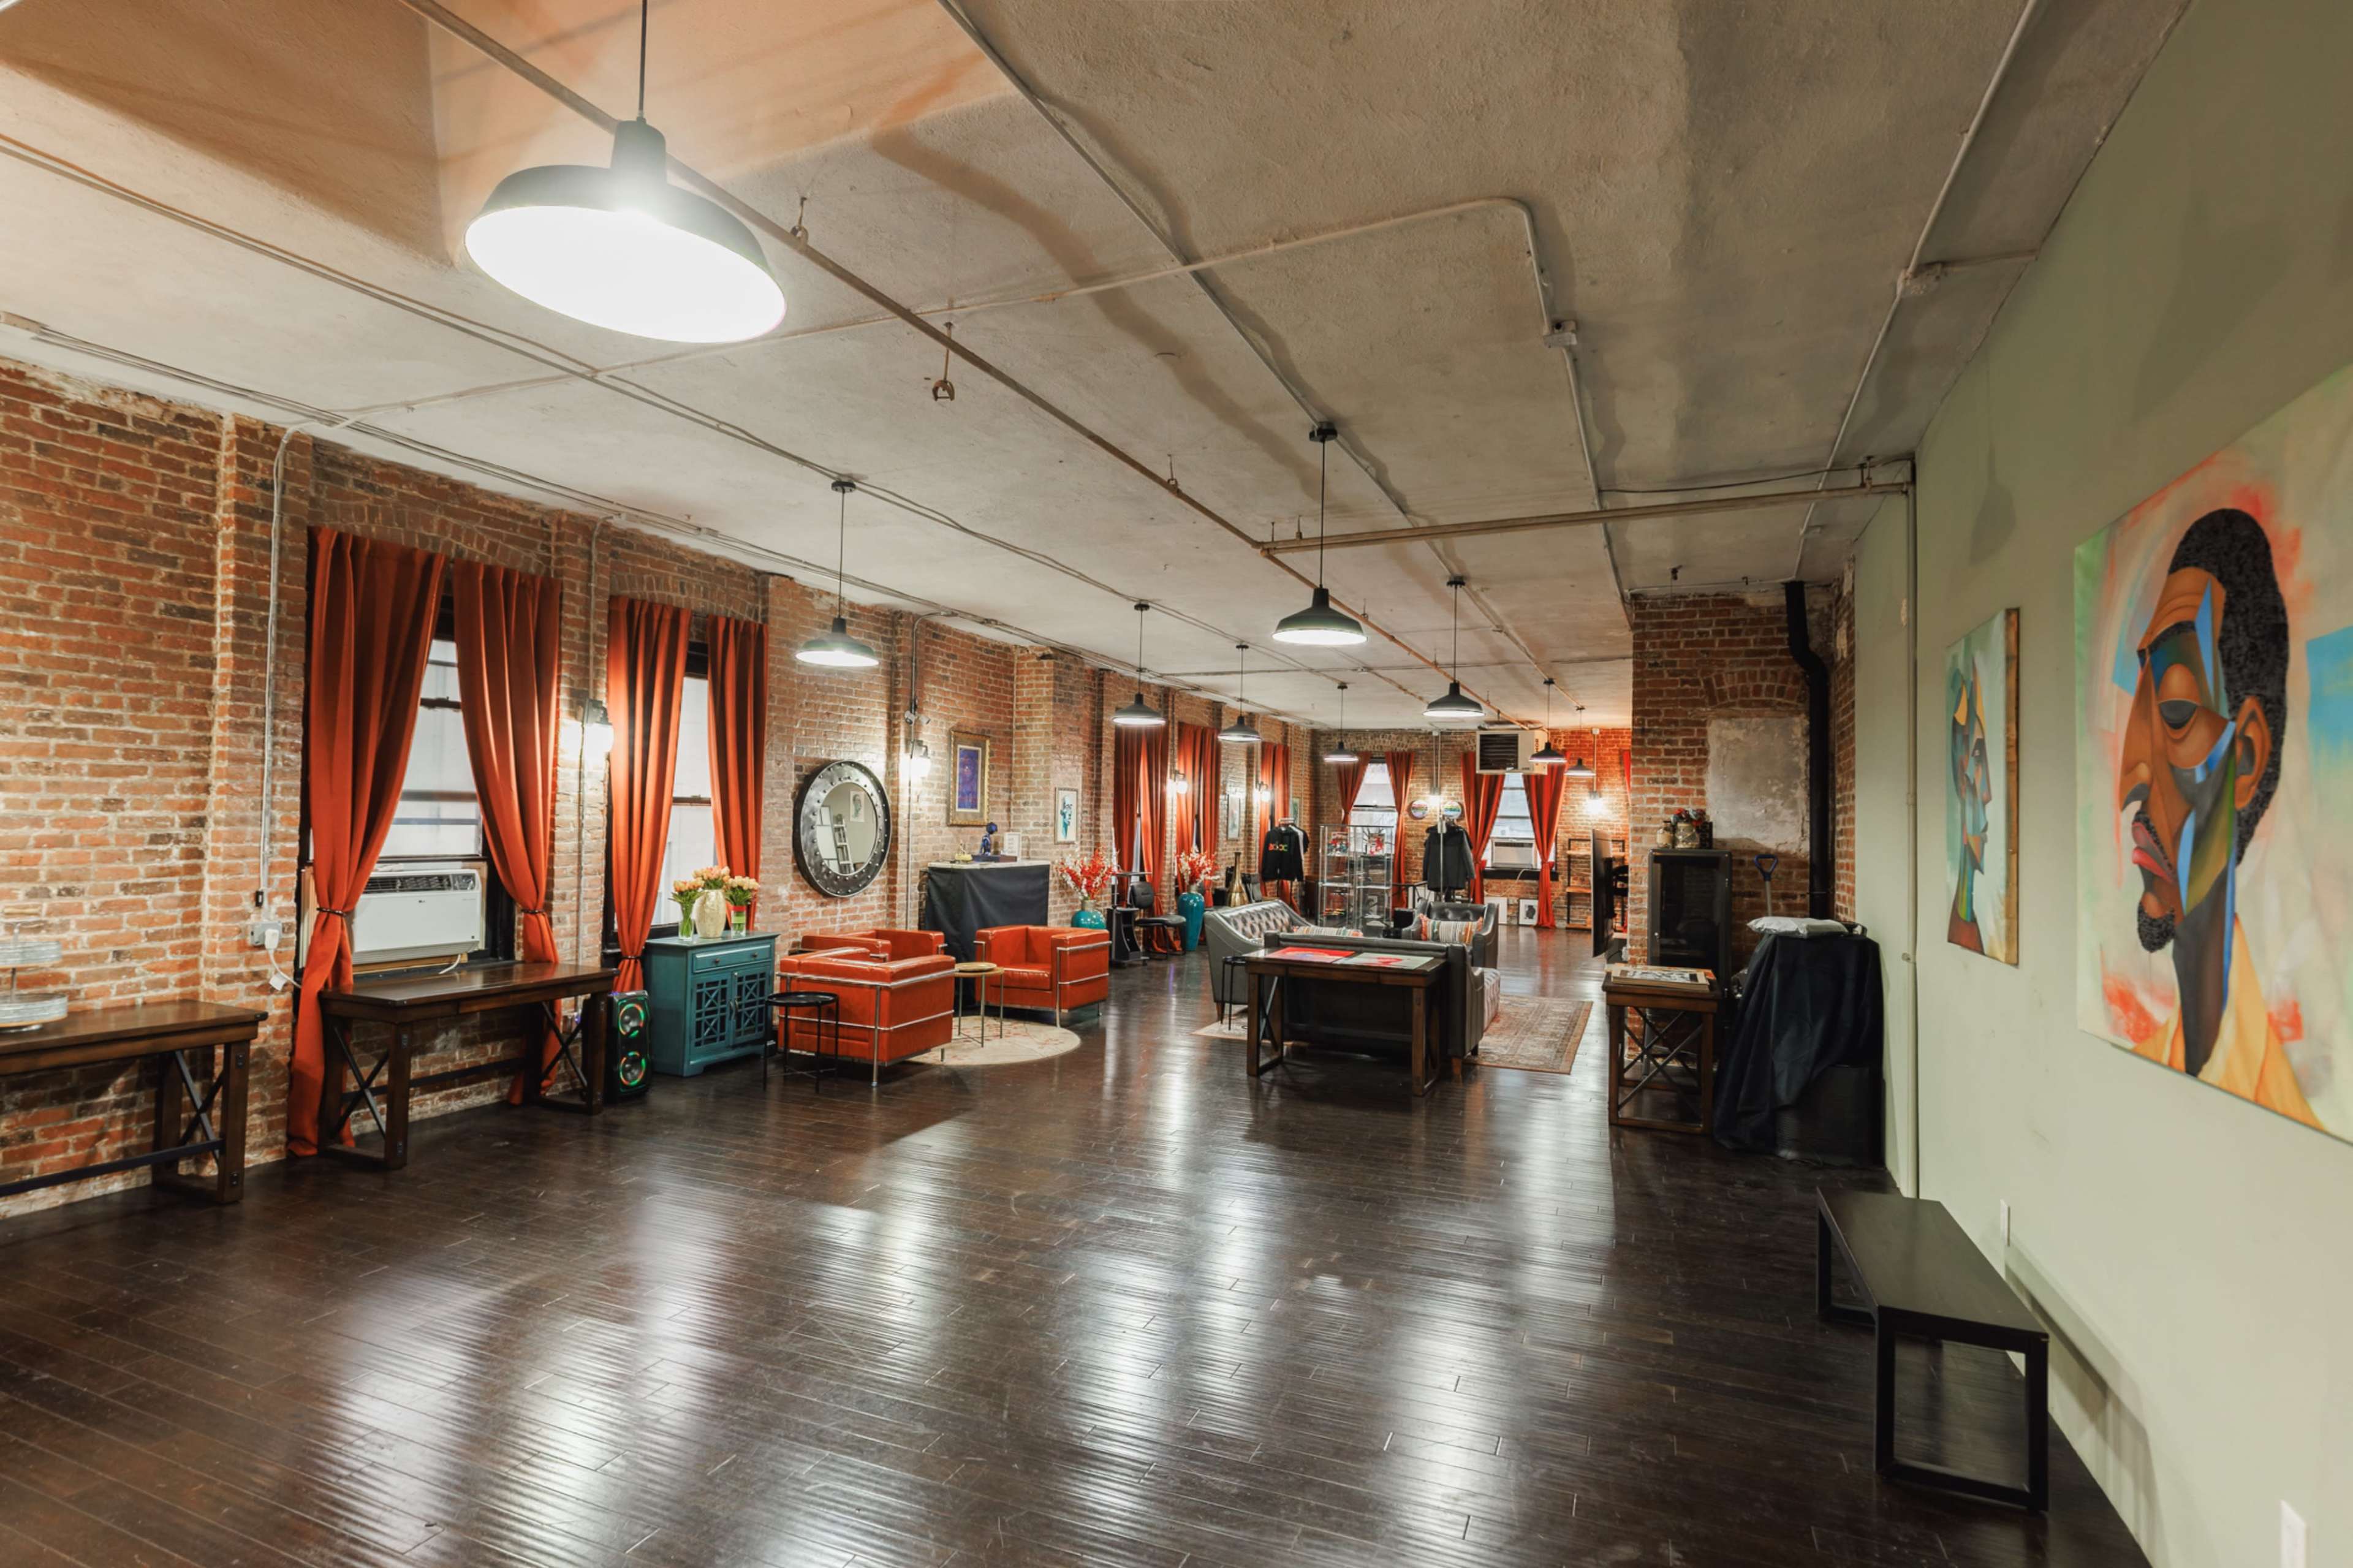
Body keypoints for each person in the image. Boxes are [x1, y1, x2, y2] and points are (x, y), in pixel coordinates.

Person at [2113, 509, 2316, 1124]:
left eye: (2174, 709)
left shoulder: (2284, 1110)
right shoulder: (2155, 1057)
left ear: (2247, 756)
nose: (2131, 780)